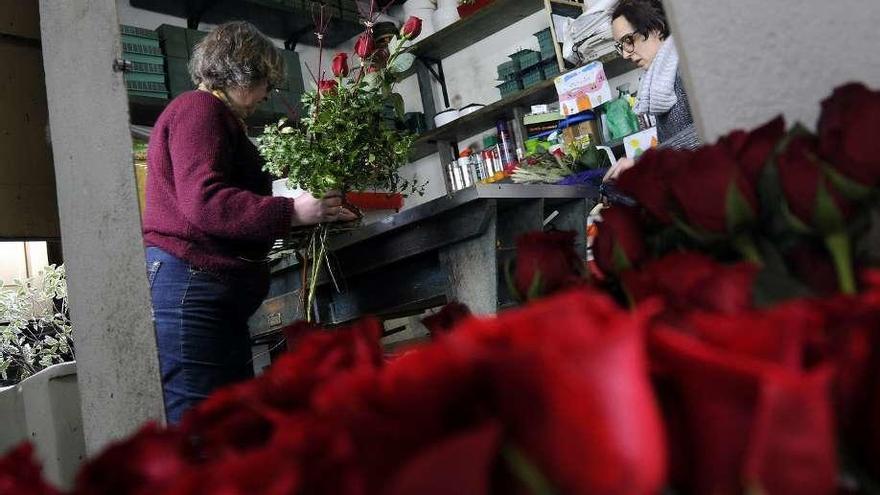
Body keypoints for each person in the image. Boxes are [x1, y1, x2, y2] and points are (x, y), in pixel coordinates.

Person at [142, 21, 356, 424]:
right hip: (192, 285)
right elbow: (206, 202)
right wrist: (292, 211)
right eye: (264, 84)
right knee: (204, 433)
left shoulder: (213, 116)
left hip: (202, 288)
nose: (265, 95)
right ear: (241, 72)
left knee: (228, 429)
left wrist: (308, 210)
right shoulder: (199, 110)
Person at [603, 0, 700, 181]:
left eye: (628, 40)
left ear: (656, 27)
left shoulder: (688, 65)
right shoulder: (660, 80)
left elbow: (708, 131)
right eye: (621, 46)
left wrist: (643, 163)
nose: (625, 54)